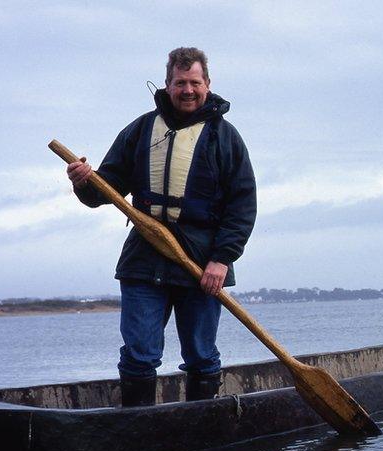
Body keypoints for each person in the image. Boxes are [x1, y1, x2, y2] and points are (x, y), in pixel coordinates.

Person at [66, 47, 257, 406]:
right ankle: (138, 428)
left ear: (208, 84)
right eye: (180, 83)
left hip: (202, 264)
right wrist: (82, 182)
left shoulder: (225, 138)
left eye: (194, 83)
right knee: (139, 354)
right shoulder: (140, 130)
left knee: (201, 354)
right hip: (144, 258)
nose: (188, 90)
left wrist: (222, 260)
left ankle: (203, 429)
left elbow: (242, 205)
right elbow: (103, 191)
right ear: (167, 84)